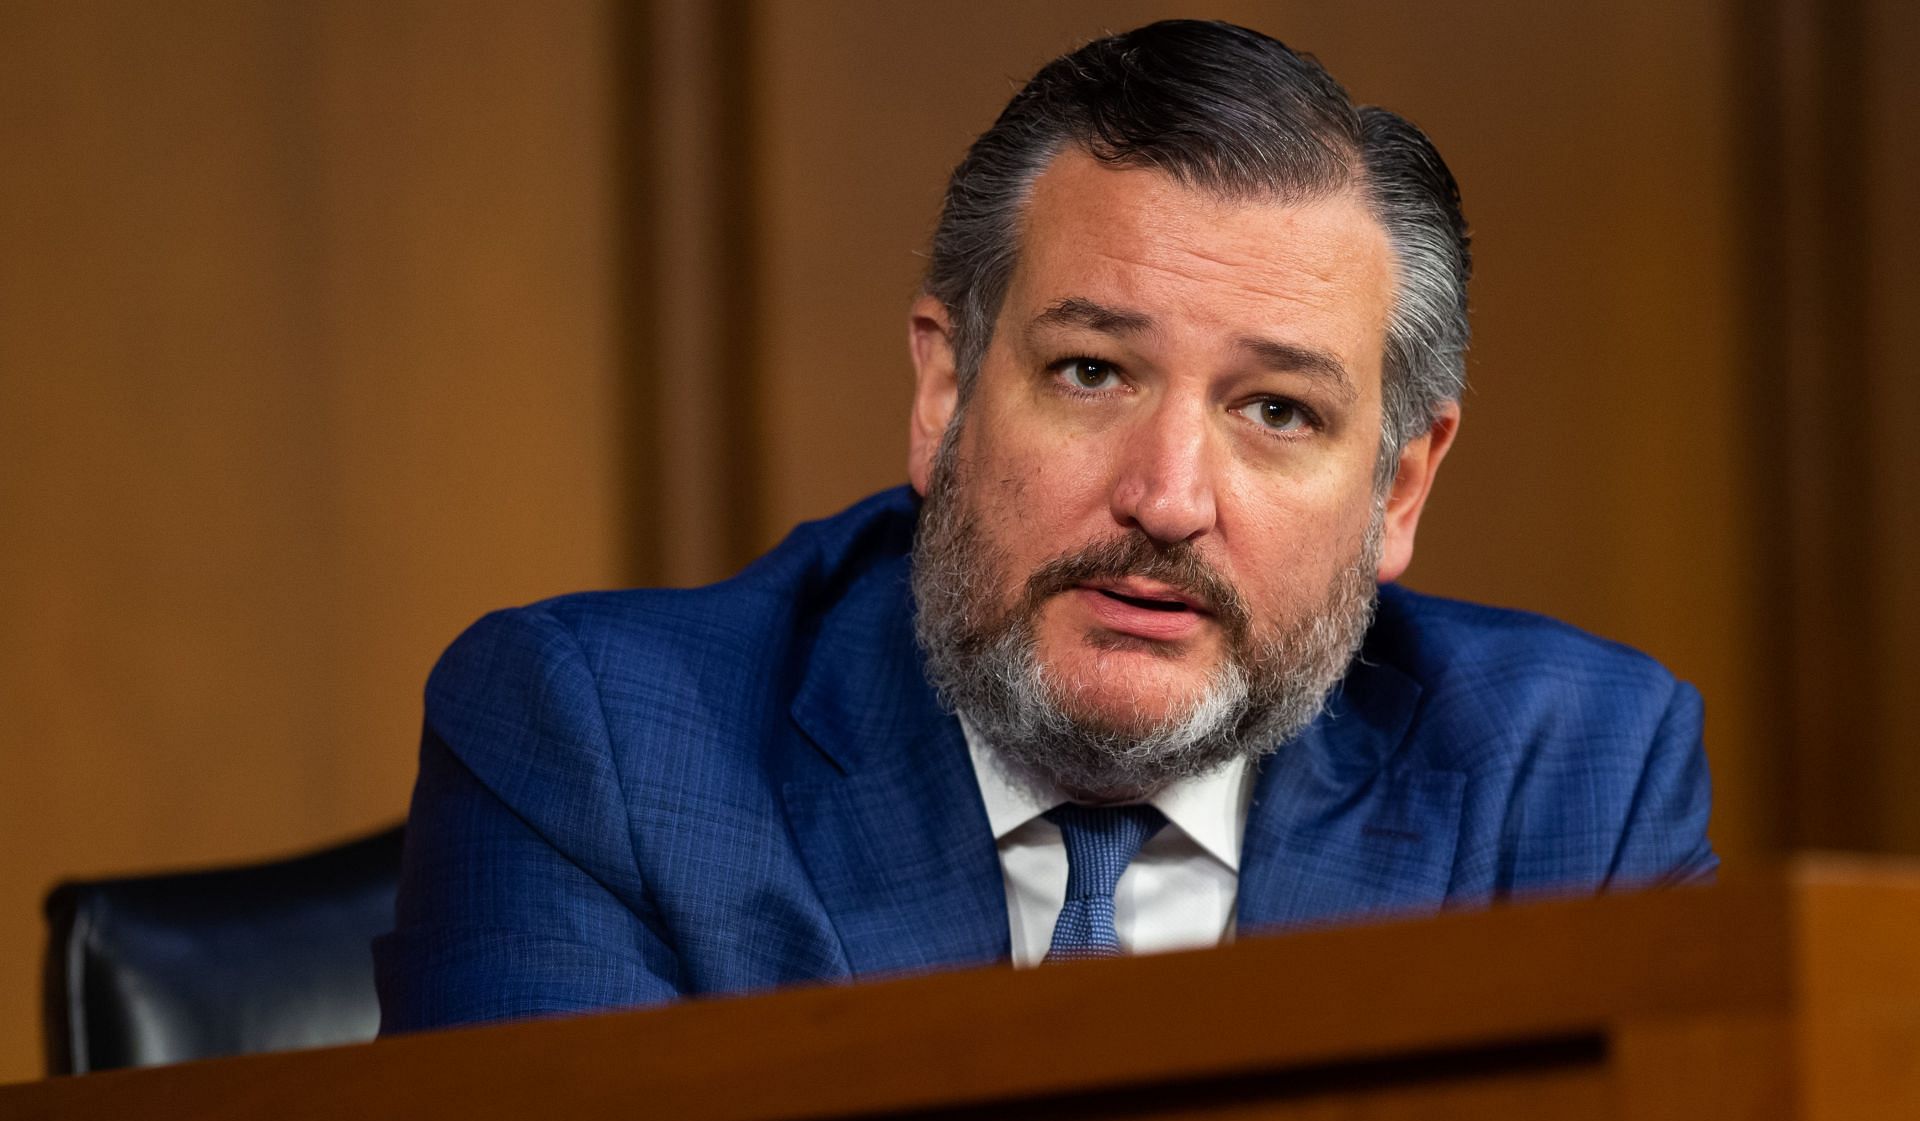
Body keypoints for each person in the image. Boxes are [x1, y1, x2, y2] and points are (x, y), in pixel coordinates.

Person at [375, 19, 1714, 1032]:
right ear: (946, 391)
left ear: (1399, 489)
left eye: (1278, 411)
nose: (1168, 497)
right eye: (1092, 372)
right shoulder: (601, 748)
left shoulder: (1568, 784)